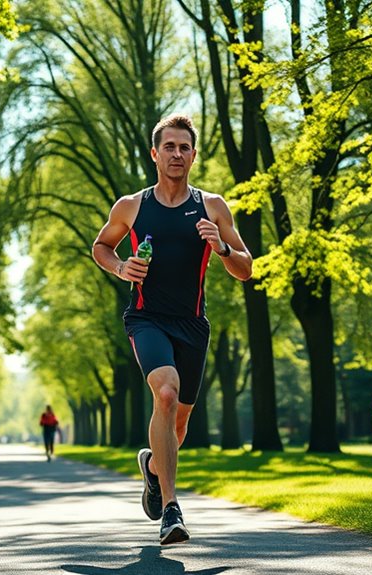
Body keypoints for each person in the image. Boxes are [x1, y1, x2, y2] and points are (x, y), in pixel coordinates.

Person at [92, 114, 253, 545]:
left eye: (184, 147)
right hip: (146, 318)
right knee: (164, 392)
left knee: (178, 425)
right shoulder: (132, 206)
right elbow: (101, 246)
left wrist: (219, 246)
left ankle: (152, 467)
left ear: (194, 155)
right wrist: (122, 266)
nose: (177, 154)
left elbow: (245, 268)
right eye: (169, 147)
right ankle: (171, 510)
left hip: (193, 325)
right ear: (155, 154)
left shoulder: (212, 206)